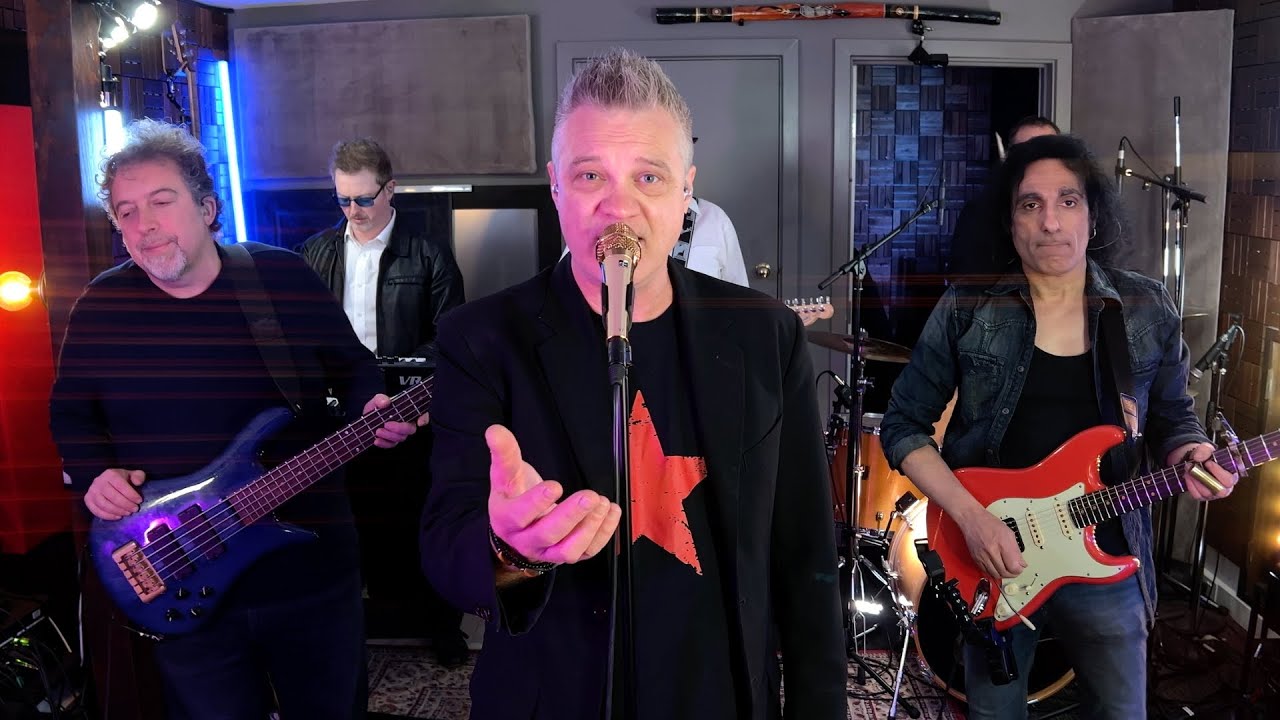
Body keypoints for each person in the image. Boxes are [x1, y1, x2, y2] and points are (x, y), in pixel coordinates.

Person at [419, 48, 845, 719]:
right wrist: (511, 550)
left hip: (723, 696)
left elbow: (806, 554)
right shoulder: (480, 338)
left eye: (649, 176)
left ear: (686, 192)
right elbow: (447, 551)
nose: (618, 207)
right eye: (591, 174)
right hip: (554, 700)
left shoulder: (766, 335)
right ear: (555, 184)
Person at [49, 119, 426, 719]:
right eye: (126, 212)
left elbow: (353, 368)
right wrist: (95, 473)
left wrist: (371, 407)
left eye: (161, 202)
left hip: (309, 568)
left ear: (206, 207)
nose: (144, 225)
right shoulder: (101, 306)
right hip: (179, 573)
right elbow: (70, 413)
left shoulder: (280, 277)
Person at [880, 134, 1238, 719]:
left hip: (1110, 551)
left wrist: (1192, 454)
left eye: (1068, 201)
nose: (1050, 222)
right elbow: (903, 425)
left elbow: (1174, 418)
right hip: (992, 556)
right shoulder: (969, 307)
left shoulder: (1145, 307)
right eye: (1031, 204)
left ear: (1093, 217)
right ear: (1011, 222)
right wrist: (972, 520)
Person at [298, 138, 468, 665]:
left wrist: (402, 404)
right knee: (346, 526)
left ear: (390, 190)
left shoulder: (430, 255)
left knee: (422, 519)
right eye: (343, 200)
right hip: (340, 416)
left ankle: (443, 628)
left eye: (363, 199)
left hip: (407, 411)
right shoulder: (314, 254)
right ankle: (351, 628)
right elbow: (303, 338)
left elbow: (448, 342)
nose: (353, 211)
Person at [945, 115, 1060, 280]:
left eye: (1047, 152)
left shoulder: (1081, 207)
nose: (1036, 162)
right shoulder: (978, 212)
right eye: (1024, 152)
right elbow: (961, 277)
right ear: (1009, 158)